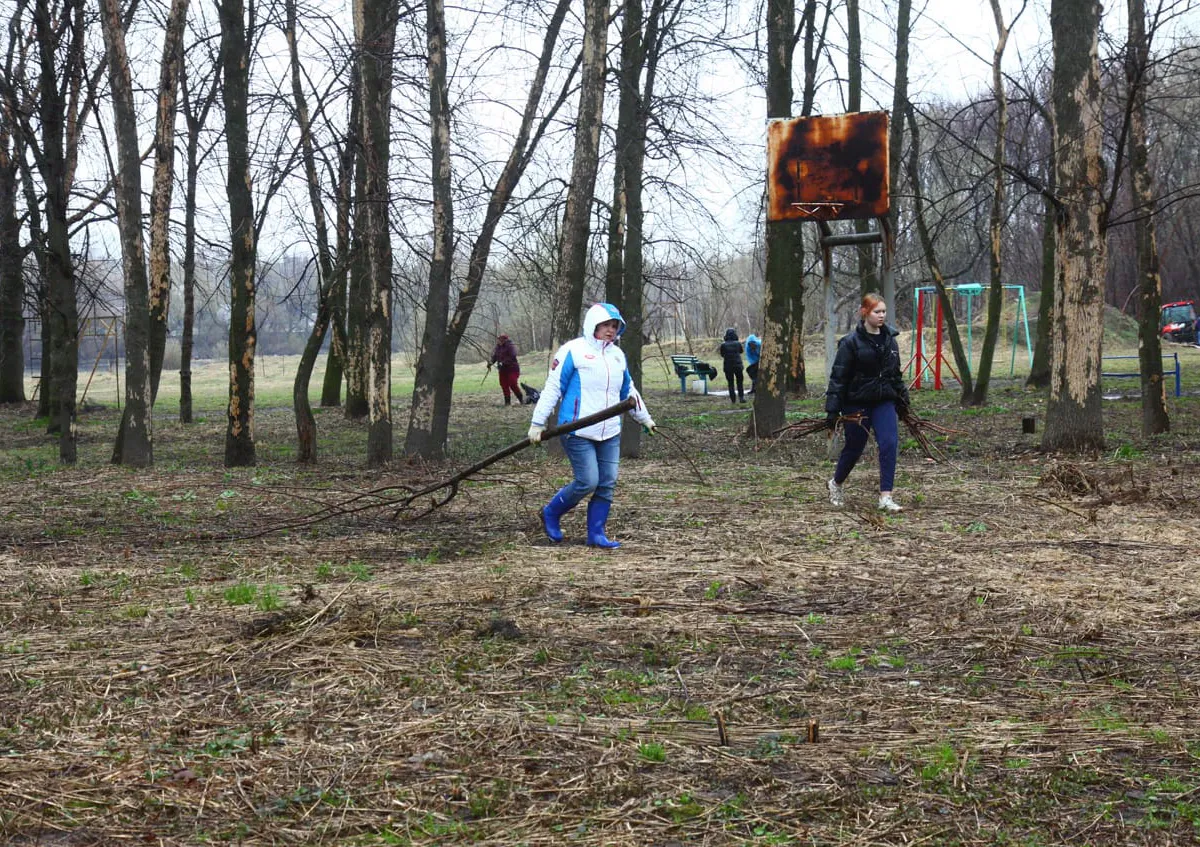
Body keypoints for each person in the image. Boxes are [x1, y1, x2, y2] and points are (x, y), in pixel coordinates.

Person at [527, 303, 656, 548]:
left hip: (610, 431)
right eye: (606, 325)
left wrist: (645, 418)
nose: (610, 330)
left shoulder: (617, 356)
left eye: (615, 326)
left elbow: (628, 391)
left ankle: (596, 534)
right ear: (593, 325)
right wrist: (537, 422)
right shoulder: (573, 350)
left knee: (607, 482)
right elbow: (553, 387)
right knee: (588, 481)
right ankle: (551, 512)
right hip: (577, 429)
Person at [824, 293, 910, 512]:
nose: (881, 316)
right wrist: (832, 410)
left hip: (884, 401)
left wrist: (902, 399)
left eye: (883, 311)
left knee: (889, 443)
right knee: (855, 447)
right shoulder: (850, 343)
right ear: (864, 312)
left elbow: (894, 374)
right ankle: (836, 483)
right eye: (876, 311)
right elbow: (839, 377)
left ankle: (886, 497)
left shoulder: (890, 340)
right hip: (857, 403)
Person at [489, 333, 523, 406]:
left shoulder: (510, 346)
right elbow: (495, 356)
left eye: (500, 339)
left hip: (512, 368)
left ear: (505, 339)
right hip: (502, 370)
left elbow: (512, 356)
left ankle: (521, 400)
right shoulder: (498, 347)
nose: (499, 341)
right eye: (498, 339)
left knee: (513, 383)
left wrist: (503, 362)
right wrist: (490, 362)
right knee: (504, 385)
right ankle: (507, 403)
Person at [718, 328, 745, 403]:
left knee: (730, 383)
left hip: (728, 366)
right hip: (738, 366)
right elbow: (741, 351)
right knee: (739, 382)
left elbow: (722, 354)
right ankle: (741, 398)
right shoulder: (738, 343)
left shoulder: (723, 345)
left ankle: (733, 399)